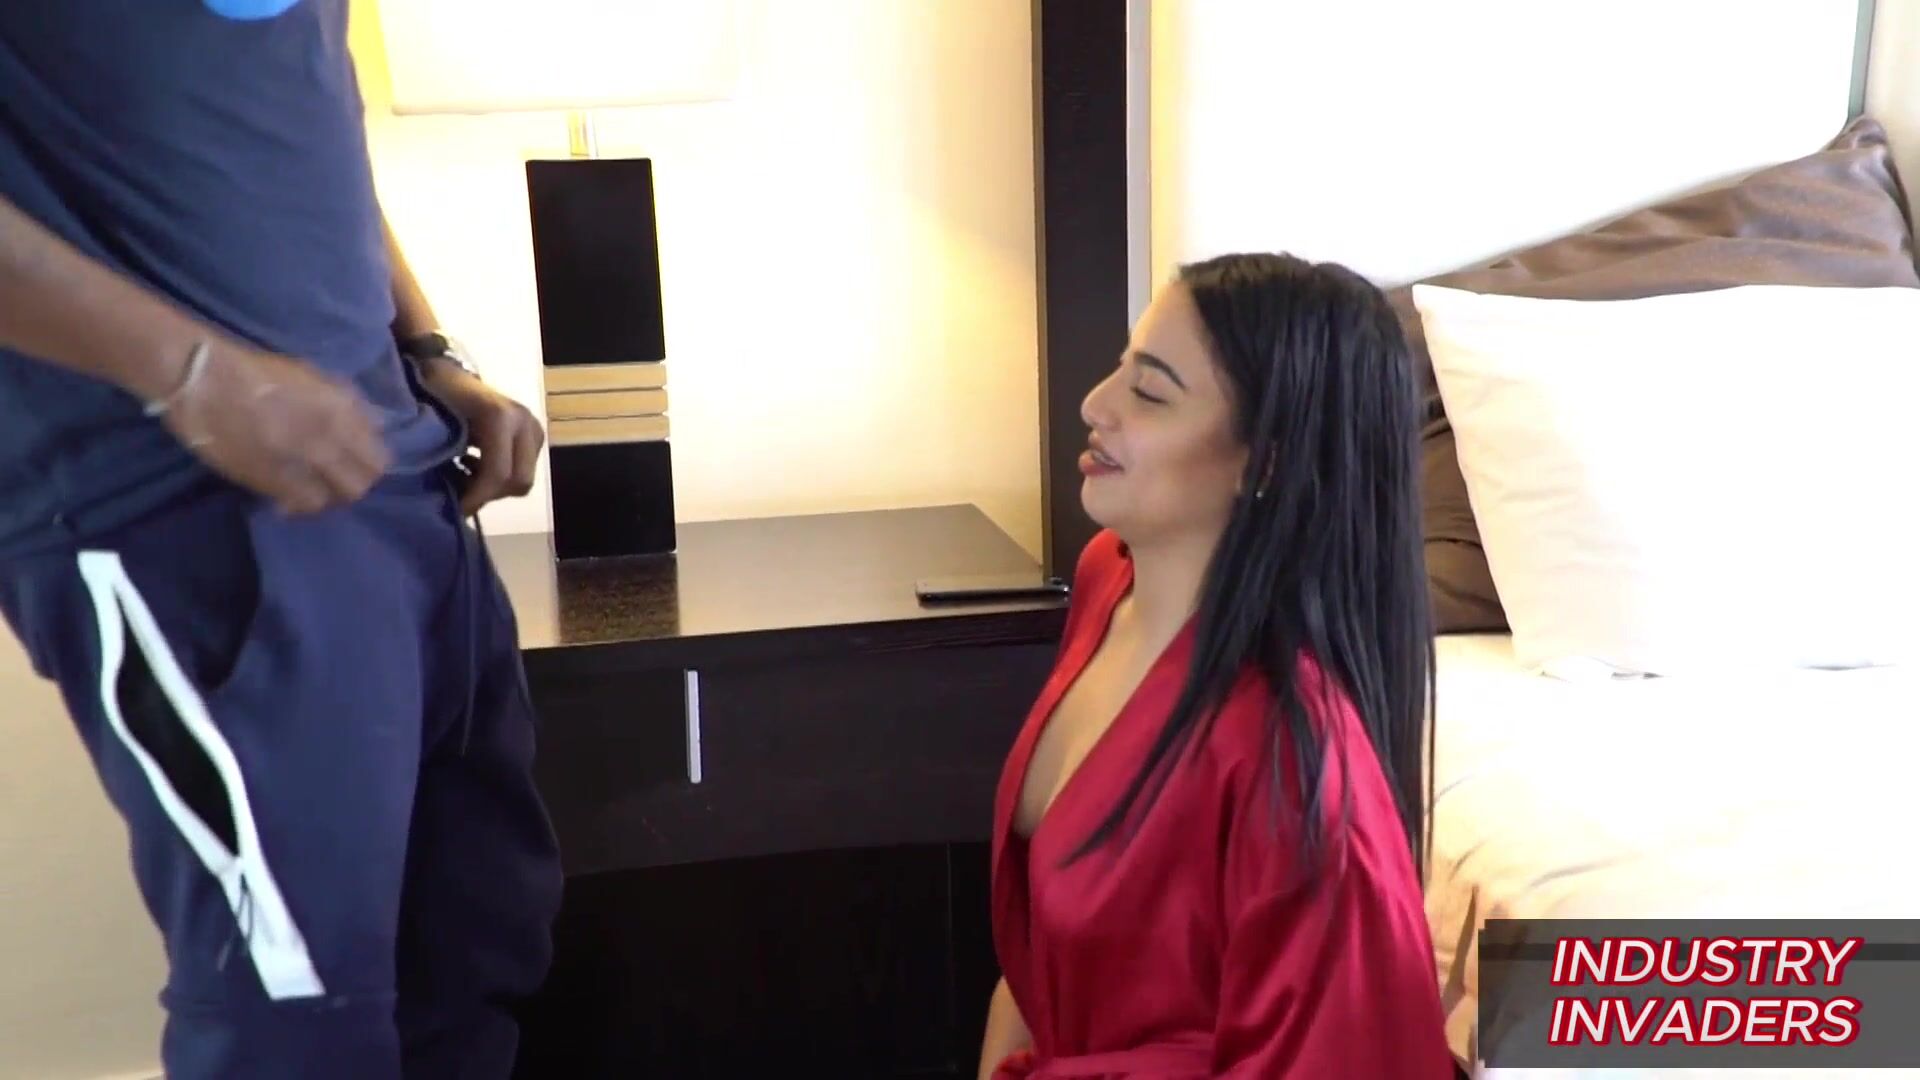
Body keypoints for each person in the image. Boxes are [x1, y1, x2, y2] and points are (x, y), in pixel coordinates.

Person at [0, 3, 562, 1078]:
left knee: (473, 955)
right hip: (169, 505)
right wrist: (191, 374)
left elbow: (309, 98)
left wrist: (427, 350)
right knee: (301, 1021)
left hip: (394, 465)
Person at [978, 253, 1455, 1078]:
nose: (1095, 404)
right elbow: (1035, 967)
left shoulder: (1292, 765)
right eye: (1123, 366)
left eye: (1149, 392)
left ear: (1265, 460)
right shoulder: (1109, 580)